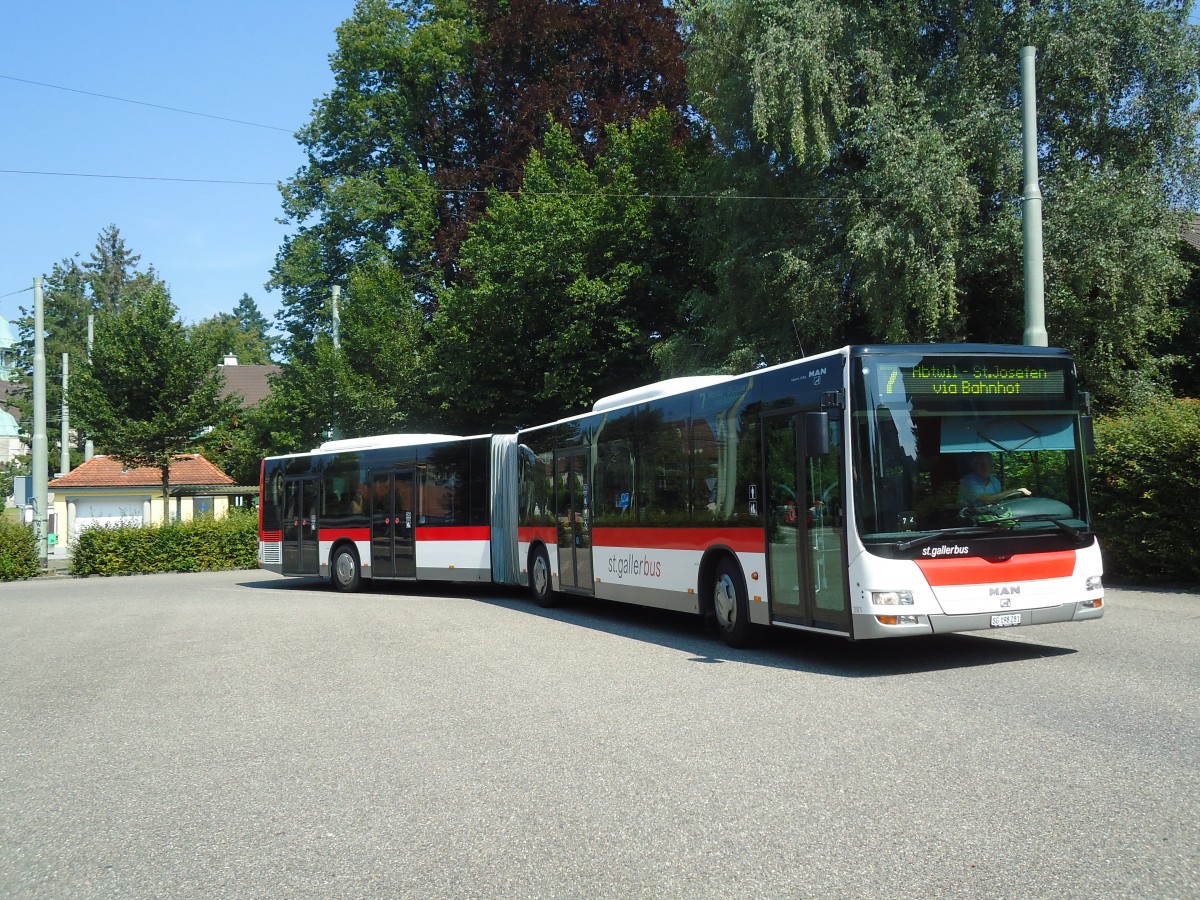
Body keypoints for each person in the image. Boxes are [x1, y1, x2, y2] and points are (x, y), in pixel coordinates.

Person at [958, 452, 1031, 506]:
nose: (984, 467)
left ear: (991, 464)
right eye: (980, 464)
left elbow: (999, 500)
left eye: (987, 463)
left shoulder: (995, 481)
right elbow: (986, 500)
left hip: (992, 515)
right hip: (971, 518)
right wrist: (1015, 490)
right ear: (974, 466)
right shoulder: (969, 480)